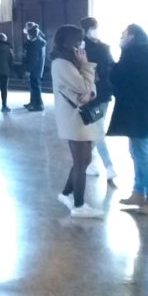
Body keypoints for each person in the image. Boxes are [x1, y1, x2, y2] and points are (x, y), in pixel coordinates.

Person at [107, 24, 148, 215]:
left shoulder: (133, 54)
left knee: (141, 154)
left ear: (131, 36)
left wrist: (112, 66)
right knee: (136, 151)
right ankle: (138, 193)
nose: (121, 37)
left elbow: (118, 76)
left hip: (139, 111)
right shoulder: (146, 53)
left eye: (123, 34)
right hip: (142, 109)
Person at [51, 25, 103, 219]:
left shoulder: (71, 62)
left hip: (79, 115)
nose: (82, 44)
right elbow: (83, 85)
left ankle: (66, 194)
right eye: (79, 40)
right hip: (73, 117)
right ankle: (79, 205)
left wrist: (89, 93)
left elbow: (90, 86)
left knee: (86, 159)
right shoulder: (61, 63)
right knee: (81, 161)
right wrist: (86, 66)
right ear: (69, 42)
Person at [80, 17, 117, 183]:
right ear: (87, 30)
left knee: (96, 130)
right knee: (97, 129)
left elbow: (112, 66)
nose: (96, 30)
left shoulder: (103, 47)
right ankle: (107, 165)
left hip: (103, 93)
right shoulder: (81, 49)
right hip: (90, 94)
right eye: (94, 28)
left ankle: (91, 163)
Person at [22, 22, 47, 111]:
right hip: (37, 68)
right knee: (33, 86)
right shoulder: (38, 41)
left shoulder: (35, 44)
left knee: (35, 87)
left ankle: (39, 105)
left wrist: (28, 70)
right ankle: (33, 102)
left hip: (35, 68)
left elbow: (33, 59)